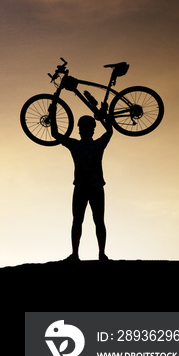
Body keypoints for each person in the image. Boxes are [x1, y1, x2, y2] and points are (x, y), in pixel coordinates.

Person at [51, 110, 113, 262]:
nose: (80, 130)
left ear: (82, 129)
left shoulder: (75, 144)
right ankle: (100, 254)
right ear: (92, 129)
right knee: (96, 221)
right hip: (94, 187)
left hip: (82, 188)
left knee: (80, 221)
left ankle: (77, 254)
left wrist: (53, 115)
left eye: (81, 128)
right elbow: (110, 131)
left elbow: (55, 134)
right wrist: (104, 117)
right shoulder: (98, 144)